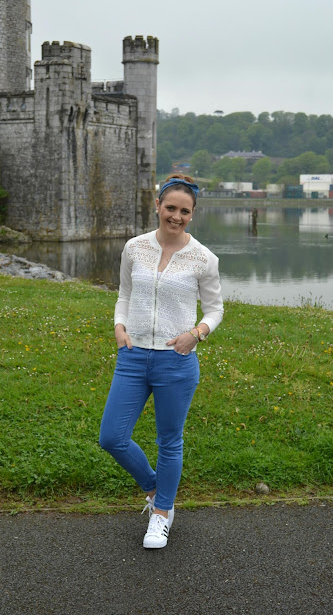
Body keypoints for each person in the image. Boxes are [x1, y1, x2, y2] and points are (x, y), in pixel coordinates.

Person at [99, 173, 223, 549]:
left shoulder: (204, 258)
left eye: (184, 211)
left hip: (176, 360)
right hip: (133, 356)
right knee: (111, 437)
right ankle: (156, 489)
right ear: (158, 206)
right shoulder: (134, 247)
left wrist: (196, 333)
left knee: (169, 440)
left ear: (192, 214)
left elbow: (215, 309)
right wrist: (119, 326)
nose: (176, 217)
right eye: (170, 208)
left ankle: (162, 514)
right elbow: (124, 293)